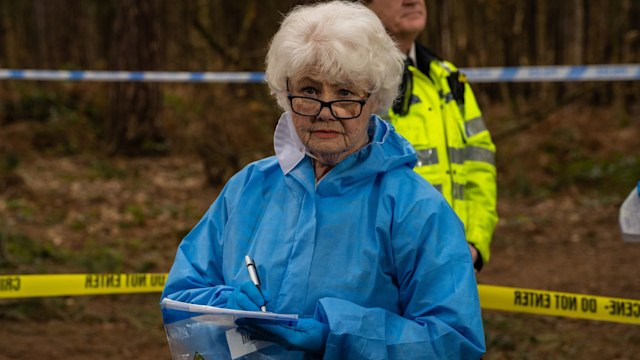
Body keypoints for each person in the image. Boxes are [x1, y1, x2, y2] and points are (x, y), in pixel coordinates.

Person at [161, 1, 485, 358]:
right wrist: (225, 307)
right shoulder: (247, 188)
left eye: (345, 93)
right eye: (310, 91)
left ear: (374, 98)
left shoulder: (417, 209)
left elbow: (455, 342)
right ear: (286, 94)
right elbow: (180, 298)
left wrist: (340, 336)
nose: (325, 112)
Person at [362, 0, 498, 271]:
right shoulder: (353, 81)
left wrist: (474, 243)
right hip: (382, 270)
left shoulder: (448, 78)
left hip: (454, 260)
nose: (412, 1)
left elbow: (480, 162)